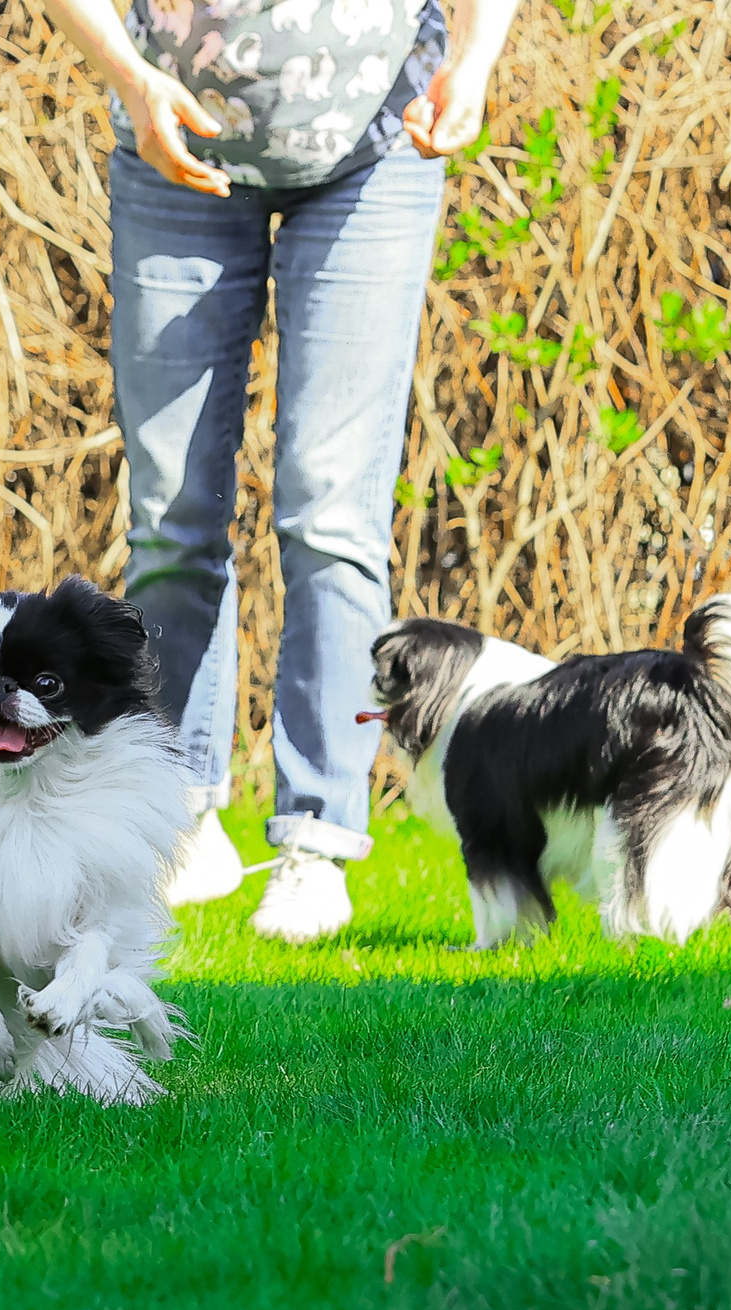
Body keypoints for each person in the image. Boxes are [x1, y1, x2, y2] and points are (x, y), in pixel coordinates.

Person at [37, 0, 520, 942]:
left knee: (330, 511)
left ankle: (318, 842)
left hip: (374, 148)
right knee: (172, 511)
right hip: (172, 136)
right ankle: (180, 816)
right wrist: (129, 78)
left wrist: (474, 57)